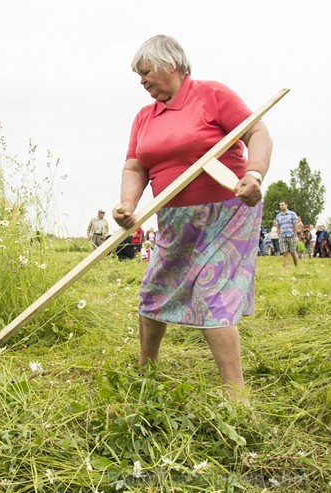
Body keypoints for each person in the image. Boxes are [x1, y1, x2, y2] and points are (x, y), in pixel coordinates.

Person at [113, 35, 273, 403]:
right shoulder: (145, 116)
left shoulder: (212, 95)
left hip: (225, 213)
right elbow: (136, 164)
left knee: (212, 294)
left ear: (172, 64)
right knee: (153, 293)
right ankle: (146, 374)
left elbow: (257, 132)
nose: (142, 80)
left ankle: (236, 397)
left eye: (146, 71)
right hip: (172, 217)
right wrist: (128, 205)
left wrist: (255, 174)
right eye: (138, 75)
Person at [275, 201, 299, 268]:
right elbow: (278, 226)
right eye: (280, 205)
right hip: (282, 236)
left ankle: (297, 266)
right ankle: (286, 268)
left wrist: (295, 234)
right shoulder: (278, 216)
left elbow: (295, 225)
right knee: (285, 253)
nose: (281, 206)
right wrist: (278, 234)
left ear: (286, 205)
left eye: (282, 205)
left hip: (291, 235)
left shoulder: (292, 214)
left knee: (293, 252)